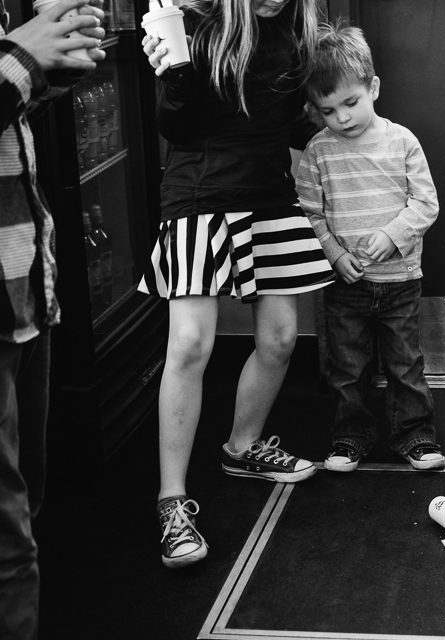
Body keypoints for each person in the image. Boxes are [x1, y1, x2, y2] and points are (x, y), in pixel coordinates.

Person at [138, 0, 334, 569]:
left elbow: (287, 121)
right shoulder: (194, 24)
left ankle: (243, 448)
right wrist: (173, 71)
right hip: (200, 194)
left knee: (279, 340)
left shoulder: (296, 29)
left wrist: (342, 115)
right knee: (191, 345)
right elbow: (174, 126)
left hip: (271, 195)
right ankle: (170, 501)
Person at [296, 20, 444, 474]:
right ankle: (350, 437)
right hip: (346, 284)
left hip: (400, 281)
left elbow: (426, 203)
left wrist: (391, 234)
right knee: (347, 368)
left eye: (350, 102)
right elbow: (310, 213)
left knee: (405, 365)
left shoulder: (402, 142)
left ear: (373, 87)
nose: (341, 118)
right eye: (327, 110)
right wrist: (335, 256)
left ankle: (414, 435)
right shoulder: (318, 152)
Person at [0, 1, 104, 636]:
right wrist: (21, 58)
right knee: (8, 551)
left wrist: (52, 63)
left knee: (25, 513)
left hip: (21, 293)